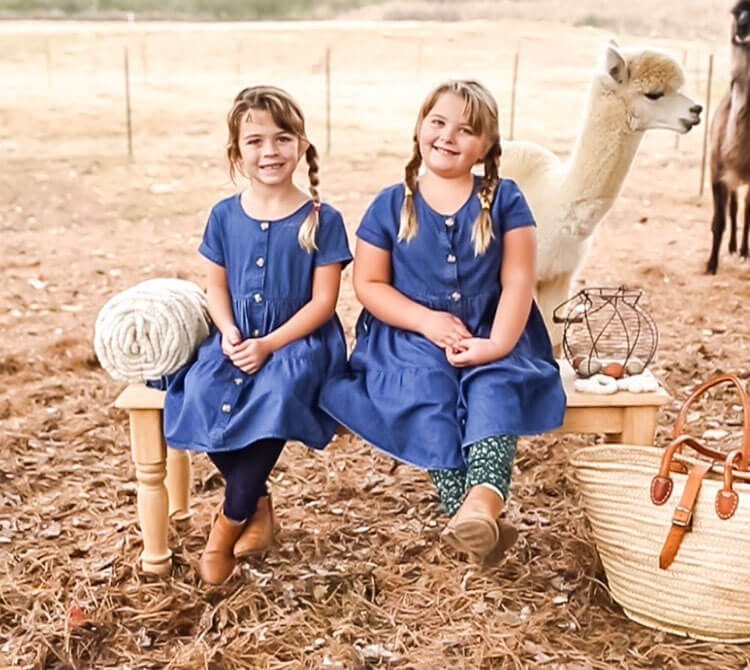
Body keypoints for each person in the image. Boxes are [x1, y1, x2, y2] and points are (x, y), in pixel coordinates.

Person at [320, 80, 565, 564]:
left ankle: (481, 505)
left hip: (496, 329)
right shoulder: (392, 204)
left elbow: (519, 281)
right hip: (409, 336)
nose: (448, 136)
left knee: (493, 387)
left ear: (488, 146)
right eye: (438, 122)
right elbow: (368, 284)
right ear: (419, 128)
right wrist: (425, 321)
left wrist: (495, 344)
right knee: (427, 391)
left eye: (466, 129)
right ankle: (471, 519)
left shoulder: (506, 199)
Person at [161, 85, 351, 584]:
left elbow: (323, 302)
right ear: (236, 153)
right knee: (201, 391)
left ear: (302, 145)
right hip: (237, 335)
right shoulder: (224, 215)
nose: (270, 151)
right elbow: (216, 288)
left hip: (300, 341)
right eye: (255, 141)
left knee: (279, 392)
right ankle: (259, 505)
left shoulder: (321, 219)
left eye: (282, 138)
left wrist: (270, 345)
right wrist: (227, 333)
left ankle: (225, 528)